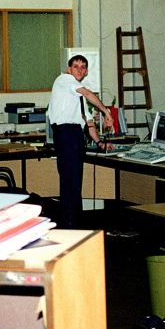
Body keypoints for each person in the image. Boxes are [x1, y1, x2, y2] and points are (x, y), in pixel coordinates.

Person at [47, 55, 113, 228]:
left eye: (83, 67)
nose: (79, 69)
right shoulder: (64, 80)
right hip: (66, 134)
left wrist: (100, 143)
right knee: (70, 184)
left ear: (86, 71)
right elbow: (87, 92)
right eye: (76, 66)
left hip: (74, 135)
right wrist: (106, 112)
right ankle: (70, 226)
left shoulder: (77, 94)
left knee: (75, 184)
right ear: (69, 69)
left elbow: (88, 122)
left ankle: (74, 225)